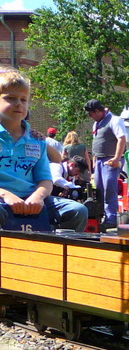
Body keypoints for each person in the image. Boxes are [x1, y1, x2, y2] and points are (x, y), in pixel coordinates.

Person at [0, 69, 88, 233]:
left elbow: (45, 179)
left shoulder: (36, 141)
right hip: (2, 199)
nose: (19, 103)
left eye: (23, 99)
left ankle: (58, 254)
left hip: (31, 199)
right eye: (10, 98)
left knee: (78, 211)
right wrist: (6, 195)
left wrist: (38, 196)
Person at [84, 98, 127, 230]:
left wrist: (116, 159)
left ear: (97, 111)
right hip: (100, 161)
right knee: (99, 190)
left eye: (91, 114)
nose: (91, 117)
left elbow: (122, 139)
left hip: (111, 160)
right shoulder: (97, 123)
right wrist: (94, 164)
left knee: (110, 188)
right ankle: (101, 217)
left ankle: (111, 218)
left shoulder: (115, 120)